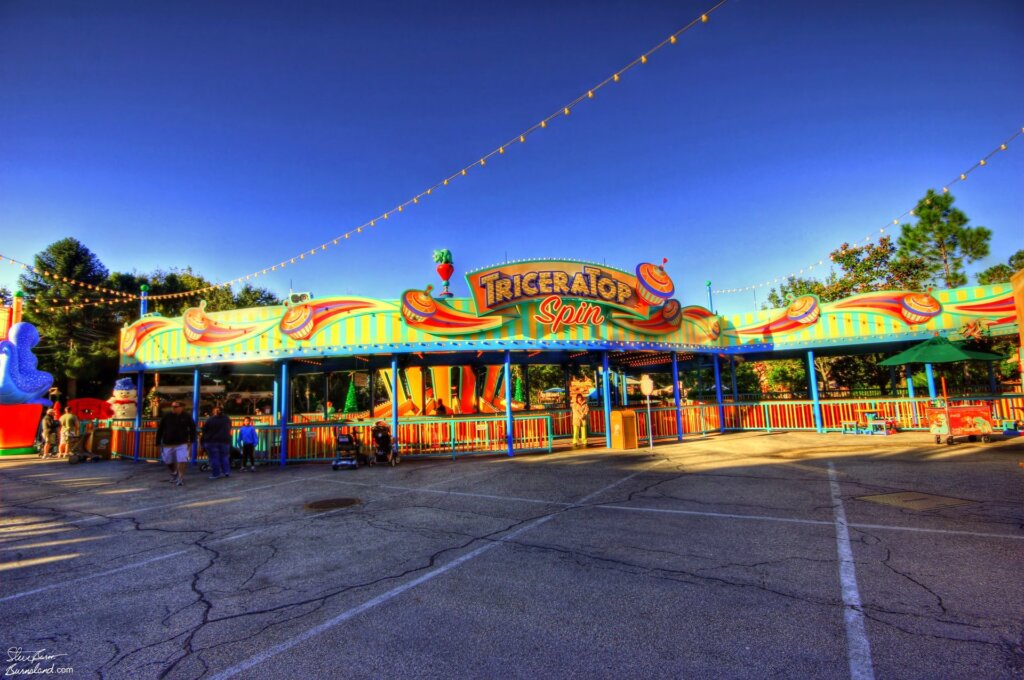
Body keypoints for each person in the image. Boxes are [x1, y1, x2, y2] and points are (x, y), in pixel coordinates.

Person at [157, 401, 197, 486]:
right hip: (168, 443)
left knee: (182, 460)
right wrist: (158, 441)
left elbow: (192, 428)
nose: (173, 408)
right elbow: (160, 429)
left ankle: (180, 478)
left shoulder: (187, 417)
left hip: (182, 442)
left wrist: (192, 440)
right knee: (168, 460)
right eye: (173, 406)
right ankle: (174, 472)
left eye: (176, 407)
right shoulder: (166, 416)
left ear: (182, 407)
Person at [201, 405, 232, 479]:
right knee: (225, 457)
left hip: (212, 441)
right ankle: (226, 472)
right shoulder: (227, 419)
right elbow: (229, 427)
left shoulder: (210, 420)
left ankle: (216, 474)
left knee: (214, 458)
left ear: (213, 412)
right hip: (225, 440)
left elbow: (204, 430)